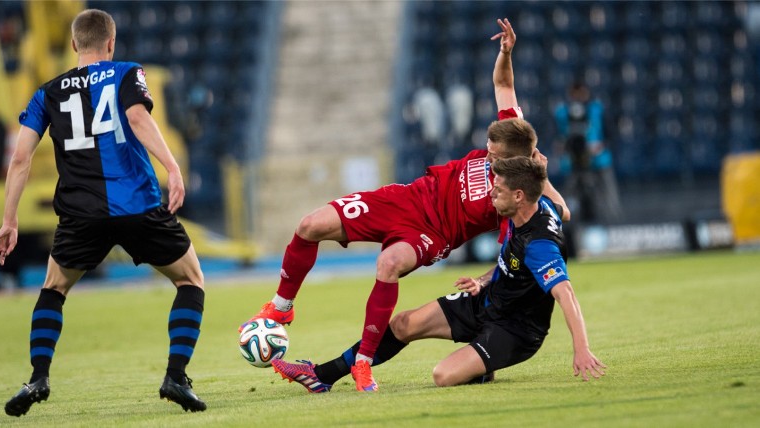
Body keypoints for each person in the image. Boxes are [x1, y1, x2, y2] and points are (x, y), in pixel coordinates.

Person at [240, 18, 570, 392]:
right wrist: (506, 52)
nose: (487, 156)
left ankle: (362, 363)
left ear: (515, 164)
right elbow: (503, 85)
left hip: (434, 233)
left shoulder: (513, 197)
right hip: (407, 198)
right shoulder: (513, 131)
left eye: (494, 157)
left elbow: (535, 217)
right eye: (488, 151)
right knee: (310, 224)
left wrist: (554, 196)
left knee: (389, 264)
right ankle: (282, 307)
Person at [0, 9, 207, 416]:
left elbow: (19, 159)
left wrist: (9, 220)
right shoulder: (127, 72)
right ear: (111, 43)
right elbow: (136, 116)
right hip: (137, 204)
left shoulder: (47, 92)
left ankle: (38, 377)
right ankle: (176, 377)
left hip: (80, 212)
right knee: (190, 279)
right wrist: (173, 166)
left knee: (53, 289)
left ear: (74, 44)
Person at [272, 156, 606, 392]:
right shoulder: (539, 207)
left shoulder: (540, 245)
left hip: (516, 329)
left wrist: (581, 348)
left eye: (498, 190)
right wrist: (483, 280)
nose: (491, 193)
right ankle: (322, 375)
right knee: (403, 324)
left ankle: (481, 365)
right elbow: (522, 253)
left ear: (519, 196)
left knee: (443, 375)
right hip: (487, 301)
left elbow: (565, 293)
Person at [554, 80, 623, 224]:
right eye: (575, 94)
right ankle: (568, 224)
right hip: (573, 161)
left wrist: (600, 146)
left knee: (607, 193)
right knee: (570, 194)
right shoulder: (561, 112)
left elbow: (610, 133)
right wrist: (562, 147)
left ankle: (614, 222)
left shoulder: (597, 109)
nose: (578, 97)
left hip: (598, 159)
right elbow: (557, 138)